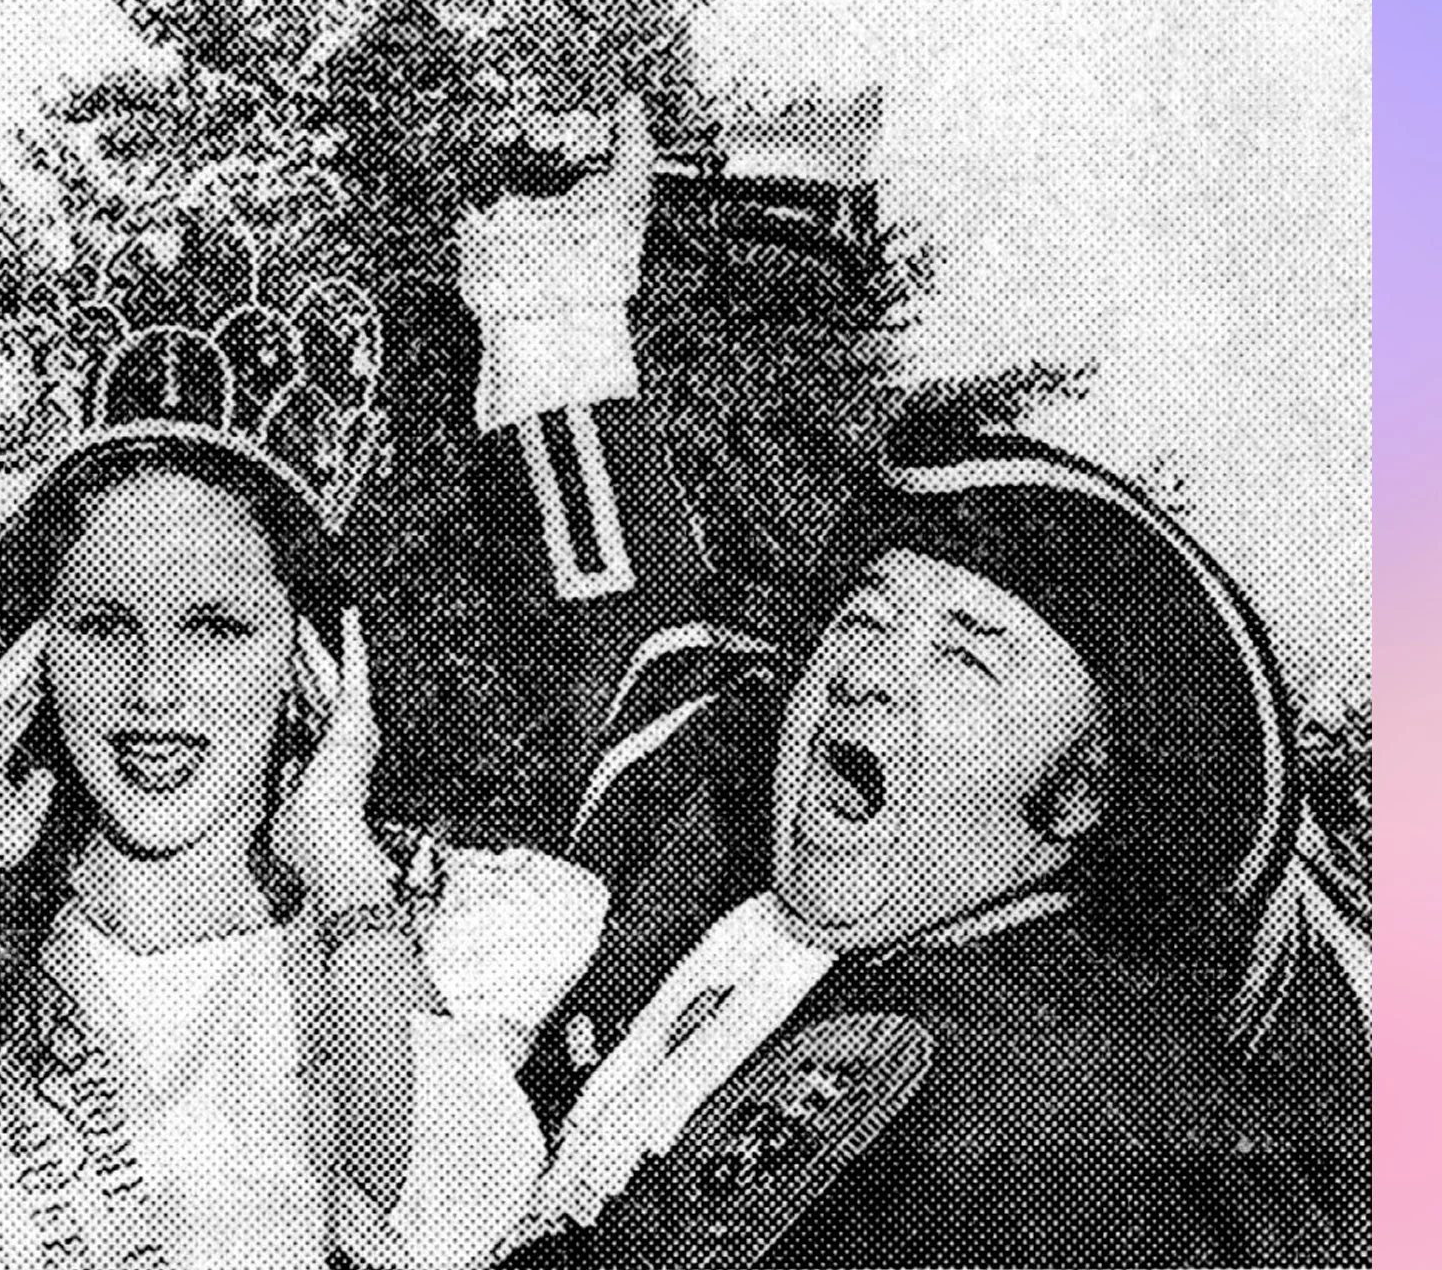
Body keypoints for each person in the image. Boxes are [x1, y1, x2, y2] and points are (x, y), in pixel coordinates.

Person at [0, 406, 609, 1267]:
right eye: (104, 627)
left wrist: (344, 869)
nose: (154, 691)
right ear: (30, 658)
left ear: (311, 661)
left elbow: (436, 1217)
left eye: (215, 628)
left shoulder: (436, 923)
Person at [498, 430, 1369, 1268]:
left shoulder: (1023, 1087)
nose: (865, 673)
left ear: (1080, 797)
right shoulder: (832, 960)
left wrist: (358, 918)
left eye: (966, 659)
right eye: (867, 622)